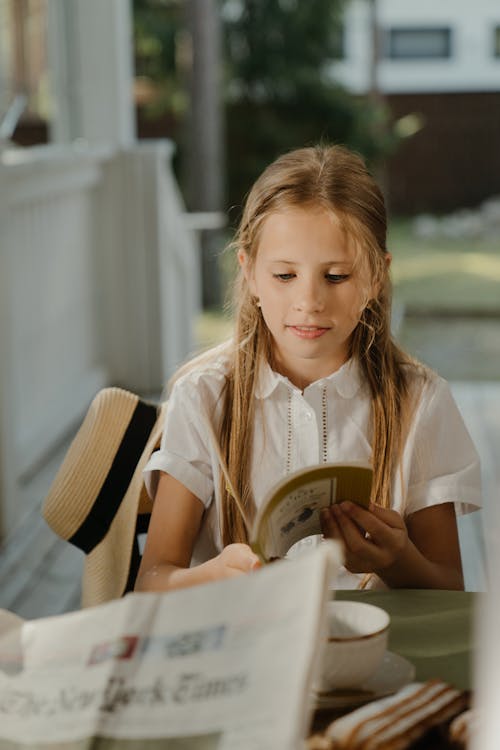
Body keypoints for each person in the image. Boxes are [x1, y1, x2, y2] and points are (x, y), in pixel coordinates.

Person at [135, 144, 481, 593]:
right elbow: (153, 581)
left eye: (336, 276)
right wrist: (212, 576)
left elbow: (448, 587)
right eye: (284, 276)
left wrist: (398, 561)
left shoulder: (421, 402)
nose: (309, 302)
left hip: (372, 648)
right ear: (250, 274)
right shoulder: (203, 398)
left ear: (376, 278)